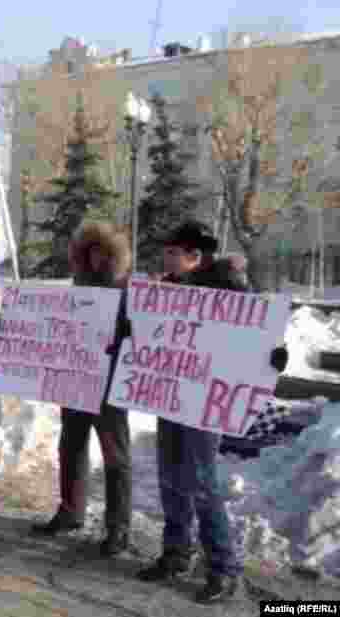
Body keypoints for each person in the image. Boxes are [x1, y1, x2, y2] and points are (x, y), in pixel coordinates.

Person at [137, 220, 289, 604]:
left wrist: (273, 354)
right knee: (171, 476)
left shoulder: (228, 287)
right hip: (171, 392)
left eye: (173, 252)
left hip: (206, 400)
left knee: (202, 483)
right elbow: (150, 331)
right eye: (166, 251)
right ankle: (176, 553)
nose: (165, 258)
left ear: (195, 256)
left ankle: (224, 569)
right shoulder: (168, 288)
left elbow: (258, 330)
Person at [31, 222, 134, 556]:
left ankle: (118, 527)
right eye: (89, 253)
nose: (95, 260)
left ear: (113, 256)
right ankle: (70, 510)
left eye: (102, 253)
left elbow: (141, 339)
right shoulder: (78, 286)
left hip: (110, 384)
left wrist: (121, 339)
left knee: (115, 457)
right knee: (71, 445)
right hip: (76, 379)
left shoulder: (127, 291)